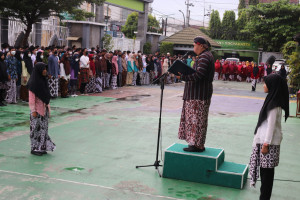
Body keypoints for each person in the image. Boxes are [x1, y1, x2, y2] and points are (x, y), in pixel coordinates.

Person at [249, 73, 289, 200]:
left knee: (267, 176)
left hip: (268, 145)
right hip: (266, 143)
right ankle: (264, 197)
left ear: (272, 86)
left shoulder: (273, 105)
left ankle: (264, 198)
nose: (263, 85)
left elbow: (271, 126)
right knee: (265, 173)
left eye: (265, 83)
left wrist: (266, 144)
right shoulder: (271, 100)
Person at [177, 36, 215, 152]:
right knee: (197, 120)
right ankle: (196, 143)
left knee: (196, 120)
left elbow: (199, 75)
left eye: (194, 45)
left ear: (201, 45)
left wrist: (183, 77)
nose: (193, 47)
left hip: (198, 95)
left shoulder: (204, 57)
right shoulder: (205, 56)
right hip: (197, 94)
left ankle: (196, 145)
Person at [27, 62, 56, 156]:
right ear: (39, 70)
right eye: (43, 69)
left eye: (45, 69)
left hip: (44, 110)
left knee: (43, 129)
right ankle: (34, 148)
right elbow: (31, 99)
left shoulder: (43, 80)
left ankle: (42, 147)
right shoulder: (33, 83)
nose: (45, 71)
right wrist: (33, 110)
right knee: (35, 129)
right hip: (37, 111)